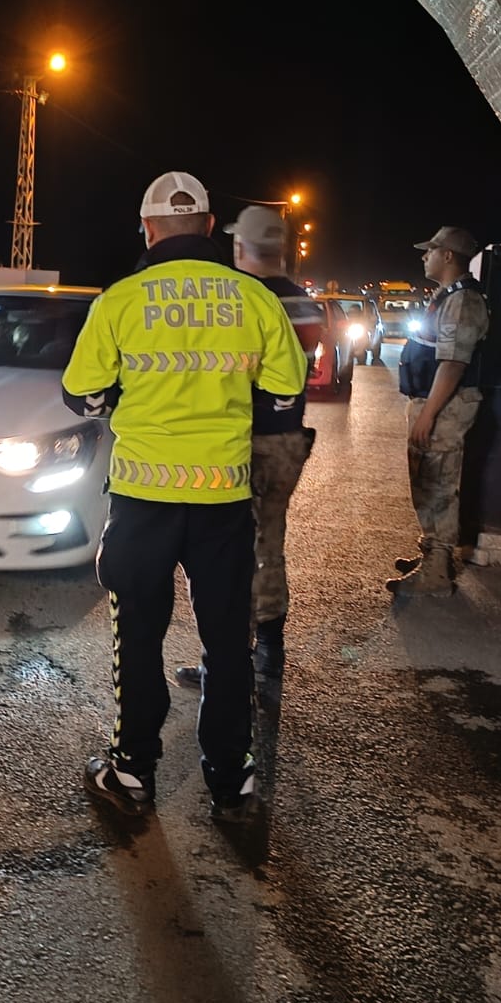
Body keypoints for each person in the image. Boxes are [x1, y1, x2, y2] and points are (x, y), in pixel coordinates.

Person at [62, 171, 307, 823]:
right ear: (207, 227)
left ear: (147, 229)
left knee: (136, 638)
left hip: (143, 500)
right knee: (227, 643)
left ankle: (132, 772)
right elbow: (286, 394)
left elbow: (81, 394)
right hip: (223, 498)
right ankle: (234, 783)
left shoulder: (120, 300)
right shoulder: (254, 299)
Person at [173, 205, 321, 689]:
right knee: (270, 543)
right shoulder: (305, 303)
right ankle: (269, 655)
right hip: (288, 439)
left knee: (227, 553)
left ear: (239, 248)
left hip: (239, 442)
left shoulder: (238, 300)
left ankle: (228, 663)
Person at [389, 226, 490, 597]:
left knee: (439, 482)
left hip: (446, 407)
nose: (424, 256)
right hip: (434, 403)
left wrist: (428, 415)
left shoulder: (463, 300)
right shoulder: (448, 296)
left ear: (448, 256)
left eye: (430, 250)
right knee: (426, 479)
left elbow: (452, 364)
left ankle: (438, 571)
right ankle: (432, 553)